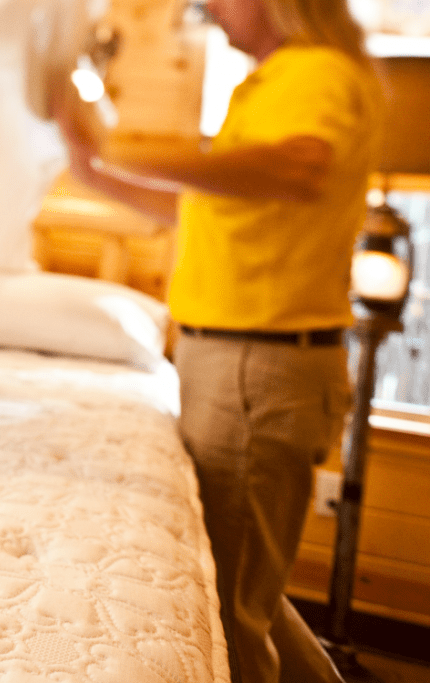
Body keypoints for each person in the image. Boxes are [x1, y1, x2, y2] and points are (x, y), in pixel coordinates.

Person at [50, 0, 384, 681]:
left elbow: (295, 167)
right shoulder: (272, 79)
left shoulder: (314, 71)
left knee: (226, 613)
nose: (210, 7)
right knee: (238, 591)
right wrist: (97, 175)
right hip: (239, 361)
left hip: (256, 366)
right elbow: (208, 205)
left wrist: (115, 143)